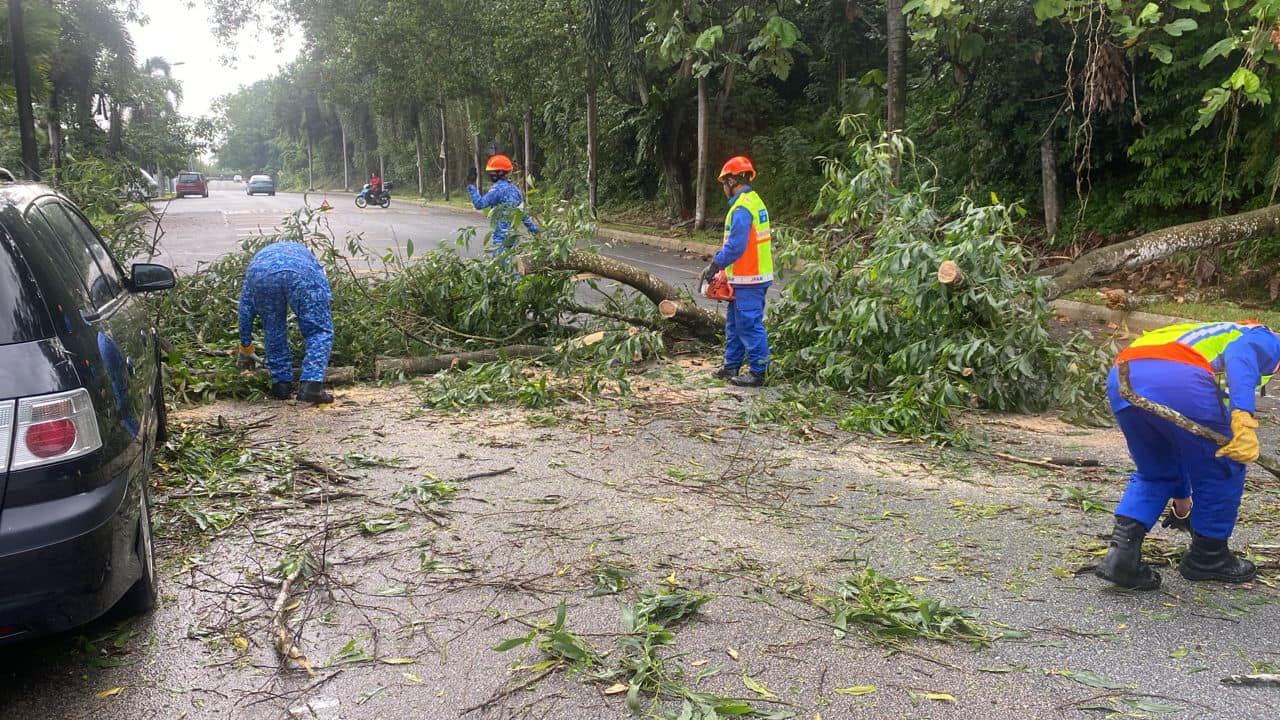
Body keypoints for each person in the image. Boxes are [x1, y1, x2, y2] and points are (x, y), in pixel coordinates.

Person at [1097, 320, 1280, 590]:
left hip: (1123, 376)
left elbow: (1183, 441)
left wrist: (1182, 498)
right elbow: (1240, 355)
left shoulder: (1203, 332)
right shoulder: (1266, 337)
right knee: (1224, 464)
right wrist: (1242, 416)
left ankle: (1121, 558)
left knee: (1156, 471)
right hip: (1178, 376)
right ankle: (1208, 557)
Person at [701, 155, 772, 388]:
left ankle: (759, 372)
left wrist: (715, 265)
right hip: (745, 277)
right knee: (734, 324)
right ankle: (731, 365)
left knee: (749, 324)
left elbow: (735, 246)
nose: (723, 188)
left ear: (731, 181)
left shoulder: (742, 209)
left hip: (750, 277)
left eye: (724, 183)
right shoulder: (753, 201)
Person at [236, 242, 335, 404]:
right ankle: (311, 385)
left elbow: (245, 309)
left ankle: (281, 385)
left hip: (261, 277)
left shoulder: (257, 265)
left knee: (273, 328)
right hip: (301, 274)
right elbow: (322, 295)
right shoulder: (308, 260)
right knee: (318, 331)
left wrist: (245, 346)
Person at [467, 154, 538, 254]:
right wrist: (536, 232)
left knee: (500, 262)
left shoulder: (497, 189)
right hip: (513, 238)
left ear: (500, 172)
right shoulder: (515, 190)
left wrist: (471, 185)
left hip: (500, 241)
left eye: (492, 172)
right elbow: (523, 214)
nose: (490, 174)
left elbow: (479, 204)